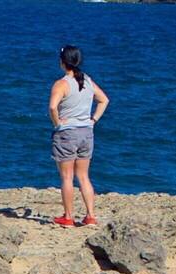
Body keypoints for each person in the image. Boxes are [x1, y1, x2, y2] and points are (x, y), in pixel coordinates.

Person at [48, 45, 109, 227]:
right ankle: (90, 215)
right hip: (86, 133)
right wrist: (93, 120)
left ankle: (68, 217)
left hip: (67, 134)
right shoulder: (88, 81)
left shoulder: (61, 84)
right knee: (84, 176)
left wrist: (57, 123)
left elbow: (52, 107)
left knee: (67, 177)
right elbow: (104, 99)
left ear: (62, 62)